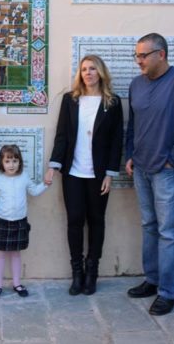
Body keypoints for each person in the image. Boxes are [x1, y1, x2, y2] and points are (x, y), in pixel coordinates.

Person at [124, 33, 174, 315]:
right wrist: (129, 154)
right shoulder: (136, 84)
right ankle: (152, 280)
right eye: (137, 56)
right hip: (141, 167)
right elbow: (133, 122)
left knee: (169, 232)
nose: (139, 61)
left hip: (169, 170)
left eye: (143, 55)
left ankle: (168, 292)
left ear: (161, 54)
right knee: (149, 226)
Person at [45, 54, 124, 296]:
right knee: (75, 220)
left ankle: (92, 272)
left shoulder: (113, 102)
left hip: (98, 174)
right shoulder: (71, 100)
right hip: (73, 172)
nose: (88, 73)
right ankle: (77, 273)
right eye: (84, 70)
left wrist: (110, 173)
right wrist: (54, 165)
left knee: (97, 220)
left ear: (101, 72)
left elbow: (116, 141)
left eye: (92, 69)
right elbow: (61, 135)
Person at [0, 144, 48, 299]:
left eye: (15, 161)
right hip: (2, 222)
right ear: (1, 163)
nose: (12, 165)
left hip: (19, 222)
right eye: (8, 161)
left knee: (16, 254)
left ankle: (17, 283)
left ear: (20, 162)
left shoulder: (24, 177)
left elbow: (35, 191)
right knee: (0, 254)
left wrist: (46, 184)